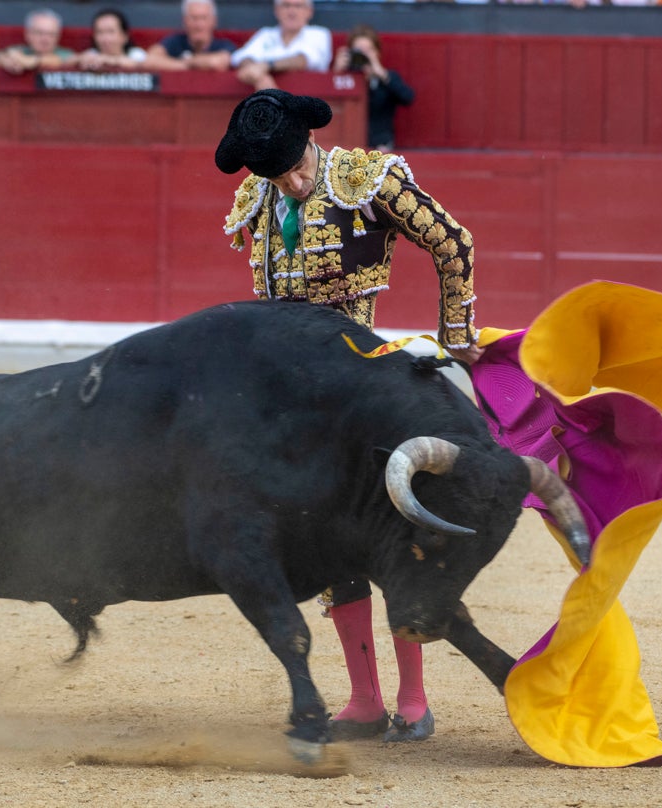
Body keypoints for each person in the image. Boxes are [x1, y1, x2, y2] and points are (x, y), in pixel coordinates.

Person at [215, 89, 479, 741]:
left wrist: (456, 335)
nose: (294, 183)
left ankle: (413, 699)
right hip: (298, 405)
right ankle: (364, 700)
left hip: (366, 386)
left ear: (312, 141)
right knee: (326, 544)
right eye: (278, 176)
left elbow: (453, 243)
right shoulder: (258, 199)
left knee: (394, 536)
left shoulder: (367, 179)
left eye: (297, 167)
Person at [332, 24, 415, 151]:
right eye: (359, 51)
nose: (364, 56)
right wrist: (336, 72)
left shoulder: (387, 77)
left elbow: (408, 97)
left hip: (380, 145)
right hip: (347, 146)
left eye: (368, 51)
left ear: (377, 52)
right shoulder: (344, 77)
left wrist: (381, 73)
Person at [229, 0, 332, 91]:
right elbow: (241, 57)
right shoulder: (266, 34)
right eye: (286, 5)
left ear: (309, 11)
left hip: (310, 102)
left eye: (298, 6)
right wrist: (259, 76)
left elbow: (303, 60)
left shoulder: (319, 34)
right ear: (276, 10)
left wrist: (265, 66)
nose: (292, 12)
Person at [142, 0, 237, 73]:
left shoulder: (224, 44)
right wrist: (187, 65)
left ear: (214, 21)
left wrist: (187, 61)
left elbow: (216, 63)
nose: (199, 25)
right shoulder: (175, 41)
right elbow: (149, 60)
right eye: (194, 18)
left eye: (204, 18)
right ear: (185, 21)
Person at [0, 8, 77, 75]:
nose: (45, 39)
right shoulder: (23, 50)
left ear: (58, 37)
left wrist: (29, 61)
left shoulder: (66, 54)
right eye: (39, 33)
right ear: (28, 34)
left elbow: (66, 61)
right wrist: (6, 61)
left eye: (51, 34)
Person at [73, 8, 147, 72]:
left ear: (125, 36)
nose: (105, 38)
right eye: (100, 32)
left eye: (110, 32)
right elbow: (67, 62)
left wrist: (110, 61)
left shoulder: (136, 53)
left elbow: (141, 64)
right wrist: (80, 59)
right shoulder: (92, 54)